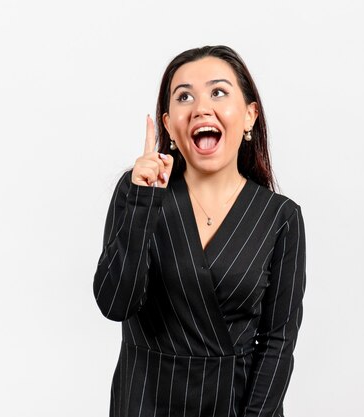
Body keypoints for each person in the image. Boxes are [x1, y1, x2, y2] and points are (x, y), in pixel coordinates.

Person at [93, 45, 306, 417]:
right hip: (143, 401)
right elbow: (115, 305)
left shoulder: (280, 217)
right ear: (169, 124)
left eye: (218, 92)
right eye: (184, 96)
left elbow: (278, 342)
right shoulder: (136, 193)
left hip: (233, 406)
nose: (201, 107)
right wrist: (143, 202)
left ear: (249, 116)